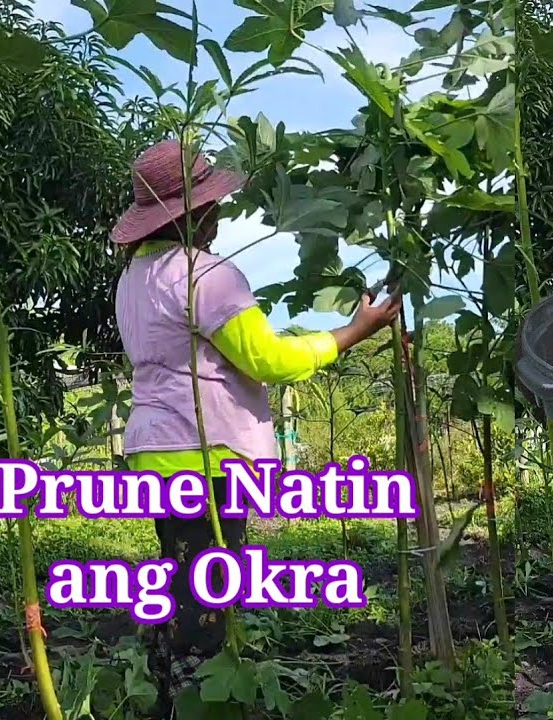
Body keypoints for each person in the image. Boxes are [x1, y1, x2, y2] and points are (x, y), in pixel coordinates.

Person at [110, 139, 403, 713]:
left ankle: (171, 693)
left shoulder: (133, 279)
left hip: (154, 453)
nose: (219, 212)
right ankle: (201, 701)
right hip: (208, 458)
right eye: (212, 203)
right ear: (196, 212)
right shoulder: (204, 274)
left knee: (183, 583)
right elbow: (267, 358)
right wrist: (350, 333)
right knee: (209, 601)